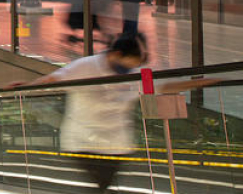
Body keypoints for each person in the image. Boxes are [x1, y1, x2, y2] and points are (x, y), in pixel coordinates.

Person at [22, 33, 211, 192]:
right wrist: (26, 87)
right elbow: (55, 79)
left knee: (102, 188)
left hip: (117, 145)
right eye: (128, 64)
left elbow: (163, 86)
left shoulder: (138, 72)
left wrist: (200, 82)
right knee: (100, 188)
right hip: (83, 143)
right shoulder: (86, 66)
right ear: (116, 54)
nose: (130, 69)